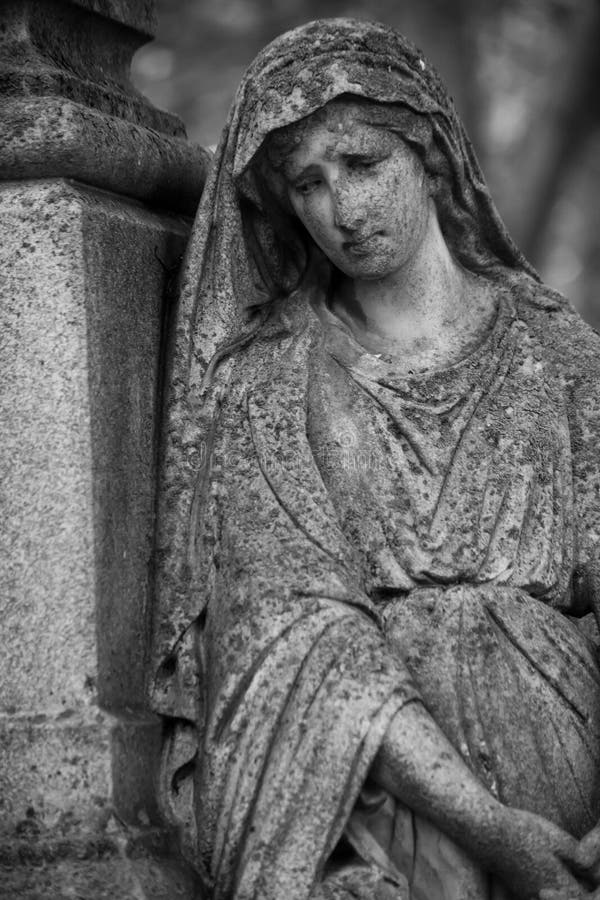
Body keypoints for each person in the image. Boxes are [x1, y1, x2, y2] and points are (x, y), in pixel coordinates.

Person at [151, 18, 600, 900]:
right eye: (307, 184)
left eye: (362, 165)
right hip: (372, 807)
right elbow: (283, 638)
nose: (341, 211)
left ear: (429, 157)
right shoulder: (269, 382)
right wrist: (488, 825)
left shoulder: (564, 363)